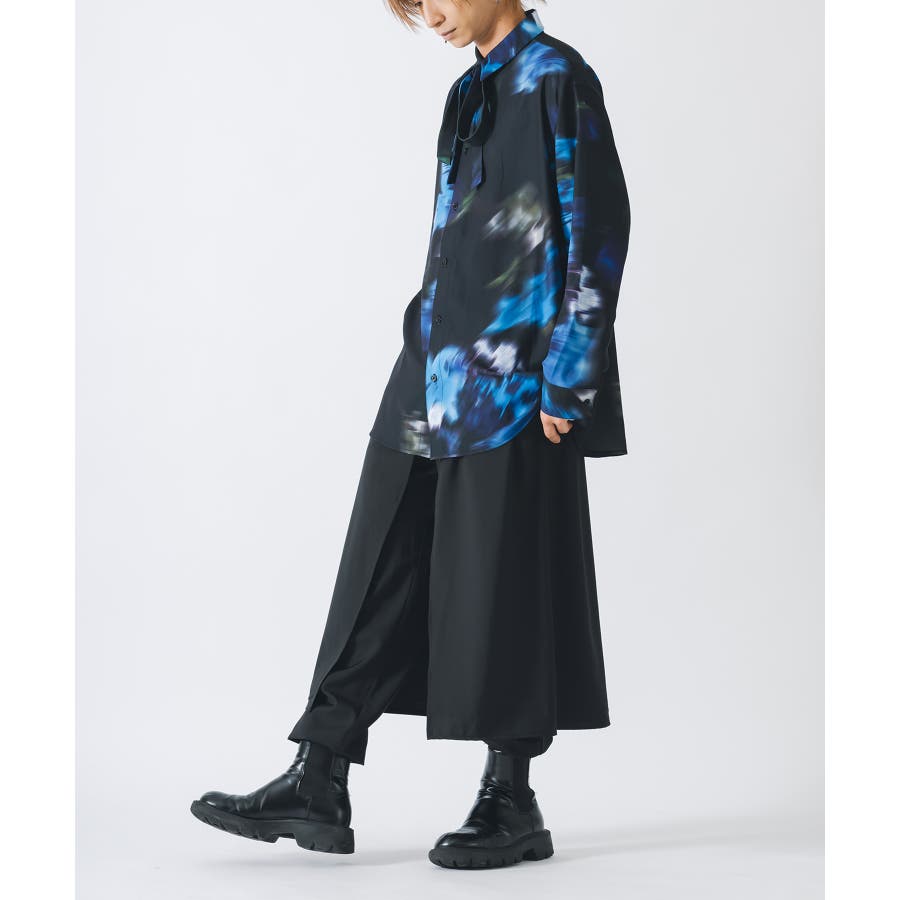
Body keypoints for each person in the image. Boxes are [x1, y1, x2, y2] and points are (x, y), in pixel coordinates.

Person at [190, 0, 630, 870]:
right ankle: (319, 773)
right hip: (431, 364)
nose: (427, 13)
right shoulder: (466, 93)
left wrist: (569, 374)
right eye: (411, 2)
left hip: (515, 376)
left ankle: (510, 798)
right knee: (378, 560)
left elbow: (600, 230)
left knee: (502, 577)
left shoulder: (558, 78)